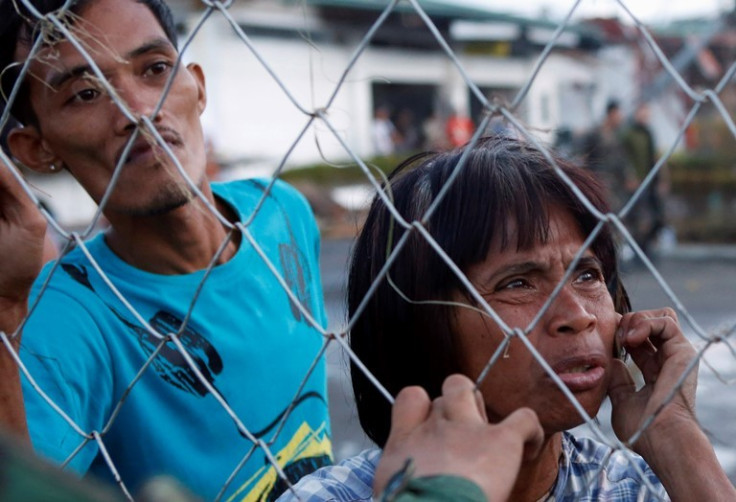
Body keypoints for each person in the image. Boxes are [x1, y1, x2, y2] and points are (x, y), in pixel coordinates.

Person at [278, 136, 736, 501]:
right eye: (518, 283)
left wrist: (678, 440)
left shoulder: (629, 487)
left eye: (588, 274)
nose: (577, 316)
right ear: (418, 325)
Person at [0, 0, 332, 499]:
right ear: (37, 148)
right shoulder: (60, 318)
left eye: (155, 69)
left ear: (196, 86)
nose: (138, 110)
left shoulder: (283, 212)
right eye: (86, 93)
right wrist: (5, 307)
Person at [622, 103, 666, 257]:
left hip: (649, 180)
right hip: (635, 182)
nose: (646, 117)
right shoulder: (628, 133)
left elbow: (655, 157)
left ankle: (646, 246)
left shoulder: (649, 133)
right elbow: (623, 157)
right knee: (636, 216)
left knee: (653, 215)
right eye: (643, 114)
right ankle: (637, 247)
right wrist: (629, 176)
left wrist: (661, 178)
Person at [582, 99, 636, 212]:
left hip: (616, 186)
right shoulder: (595, 134)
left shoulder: (618, 135)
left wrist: (628, 176)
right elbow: (585, 158)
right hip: (600, 183)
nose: (620, 118)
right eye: (618, 114)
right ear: (611, 114)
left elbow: (622, 159)